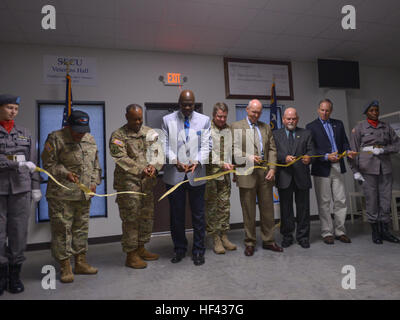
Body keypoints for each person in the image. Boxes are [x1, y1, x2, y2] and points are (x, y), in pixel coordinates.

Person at [41, 110, 101, 283]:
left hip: (83, 195)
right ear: (68, 126)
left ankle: (80, 262)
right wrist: (65, 173)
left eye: (83, 130)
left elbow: (96, 164)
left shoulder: (89, 139)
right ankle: (65, 266)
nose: (80, 134)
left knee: (81, 229)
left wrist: (94, 182)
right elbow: (48, 163)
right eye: (77, 130)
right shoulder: (55, 138)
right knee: (62, 231)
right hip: (62, 195)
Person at [109, 104, 163, 269]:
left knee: (146, 217)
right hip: (128, 185)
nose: (138, 122)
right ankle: (131, 255)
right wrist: (141, 169)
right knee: (131, 219)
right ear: (127, 117)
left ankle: (141, 248)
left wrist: (154, 166)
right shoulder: (118, 136)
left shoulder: (150, 133)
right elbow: (120, 157)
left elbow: (158, 153)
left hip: (147, 184)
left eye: (140, 118)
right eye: (135, 119)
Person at [162, 89, 211, 266]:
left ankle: (199, 250)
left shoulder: (204, 121)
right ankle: (179, 249)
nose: (187, 108)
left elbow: (207, 145)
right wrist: (174, 160)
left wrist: (198, 161)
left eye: (190, 105)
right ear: (179, 103)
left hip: (196, 174)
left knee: (198, 215)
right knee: (177, 215)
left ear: (194, 103)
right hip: (175, 175)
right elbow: (165, 144)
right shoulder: (167, 120)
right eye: (184, 104)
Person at [0, 94, 41, 295]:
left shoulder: (25, 133)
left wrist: (35, 187)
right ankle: (1, 276)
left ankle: (14, 276)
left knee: (18, 234)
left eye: (15, 108)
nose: (13, 111)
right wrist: (17, 163)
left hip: (21, 190)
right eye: (9, 107)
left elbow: (33, 162)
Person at [231, 99, 283, 256]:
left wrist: (273, 168)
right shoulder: (236, 127)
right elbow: (233, 150)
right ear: (247, 110)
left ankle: (269, 241)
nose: (256, 115)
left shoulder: (266, 127)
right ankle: (250, 242)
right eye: (253, 111)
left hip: (265, 174)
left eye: (259, 112)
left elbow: (273, 149)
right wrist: (248, 157)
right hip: (246, 174)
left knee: (268, 211)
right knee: (249, 211)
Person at [306, 99, 356, 245]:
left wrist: (348, 151)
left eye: (327, 110)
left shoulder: (338, 124)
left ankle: (340, 231)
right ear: (318, 109)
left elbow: (345, 142)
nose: (324, 113)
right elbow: (312, 149)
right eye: (322, 110)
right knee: (324, 202)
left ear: (331, 111)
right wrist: (326, 156)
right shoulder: (311, 127)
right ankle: (327, 232)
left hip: (338, 166)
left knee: (341, 200)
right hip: (322, 168)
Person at [350, 100, 400, 244]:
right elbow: (352, 152)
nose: (375, 113)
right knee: (371, 200)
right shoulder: (359, 128)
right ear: (366, 113)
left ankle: (385, 231)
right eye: (371, 110)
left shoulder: (386, 127)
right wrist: (355, 171)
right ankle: (375, 232)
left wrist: (384, 149)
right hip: (367, 169)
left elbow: (397, 144)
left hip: (385, 167)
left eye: (377, 110)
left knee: (385, 200)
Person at [273, 108, 314, 249]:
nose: (291, 121)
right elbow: (272, 154)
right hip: (284, 177)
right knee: (286, 210)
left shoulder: (306, 133)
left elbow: (311, 151)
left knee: (303, 210)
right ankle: (287, 236)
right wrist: (284, 158)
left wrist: (309, 158)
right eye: (288, 119)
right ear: (283, 119)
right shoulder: (275, 134)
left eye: (293, 119)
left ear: (297, 119)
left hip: (301, 176)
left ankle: (303, 237)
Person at [205, 102, 236, 254]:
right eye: (219, 116)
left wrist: (235, 170)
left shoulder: (229, 130)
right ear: (213, 115)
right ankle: (215, 238)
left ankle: (224, 236)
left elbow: (232, 151)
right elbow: (206, 153)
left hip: (225, 176)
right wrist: (221, 163)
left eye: (224, 116)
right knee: (212, 208)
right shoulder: (206, 129)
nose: (222, 119)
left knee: (225, 206)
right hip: (211, 175)